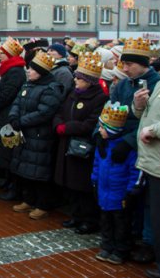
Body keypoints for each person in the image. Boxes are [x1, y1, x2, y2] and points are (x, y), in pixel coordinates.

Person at [110, 38, 160, 263]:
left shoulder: (156, 83)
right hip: (121, 144)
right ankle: (126, 235)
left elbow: (150, 120)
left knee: (142, 198)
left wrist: (128, 141)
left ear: (142, 63)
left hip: (144, 147)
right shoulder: (123, 84)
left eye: (129, 64)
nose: (124, 68)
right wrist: (105, 133)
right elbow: (112, 109)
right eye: (123, 64)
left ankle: (146, 241)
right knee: (124, 194)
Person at [53, 52, 108, 234]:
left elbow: (90, 123)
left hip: (82, 146)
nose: (75, 80)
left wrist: (66, 127)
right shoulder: (73, 93)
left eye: (79, 78)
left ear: (89, 81)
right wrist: (58, 123)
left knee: (82, 185)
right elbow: (60, 110)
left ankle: (89, 220)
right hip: (66, 144)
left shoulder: (99, 98)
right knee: (70, 184)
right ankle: (75, 216)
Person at [9, 51, 63, 220]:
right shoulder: (28, 85)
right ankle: (28, 200)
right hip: (25, 135)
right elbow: (17, 102)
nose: (28, 71)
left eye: (31, 69)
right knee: (25, 170)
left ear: (40, 71)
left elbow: (44, 113)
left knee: (39, 173)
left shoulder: (51, 88)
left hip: (40, 136)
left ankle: (42, 205)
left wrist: (22, 121)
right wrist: (13, 117)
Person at [93, 103, 141, 265]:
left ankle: (120, 249)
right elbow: (97, 164)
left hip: (119, 195)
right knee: (106, 222)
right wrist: (94, 180)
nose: (99, 131)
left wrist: (131, 190)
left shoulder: (126, 150)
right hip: (104, 192)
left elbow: (134, 171)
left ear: (111, 130)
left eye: (102, 128)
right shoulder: (102, 144)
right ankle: (107, 245)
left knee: (121, 224)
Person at [134, 73, 160, 278]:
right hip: (155, 163)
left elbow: (154, 124)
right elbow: (146, 116)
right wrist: (139, 105)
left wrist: (154, 130)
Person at [0, 37, 27, 200]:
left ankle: (14, 188)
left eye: (2, 53)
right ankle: (8, 182)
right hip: (6, 114)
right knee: (5, 151)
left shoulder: (15, 71)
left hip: (10, 116)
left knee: (10, 150)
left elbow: (7, 94)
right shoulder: (9, 69)